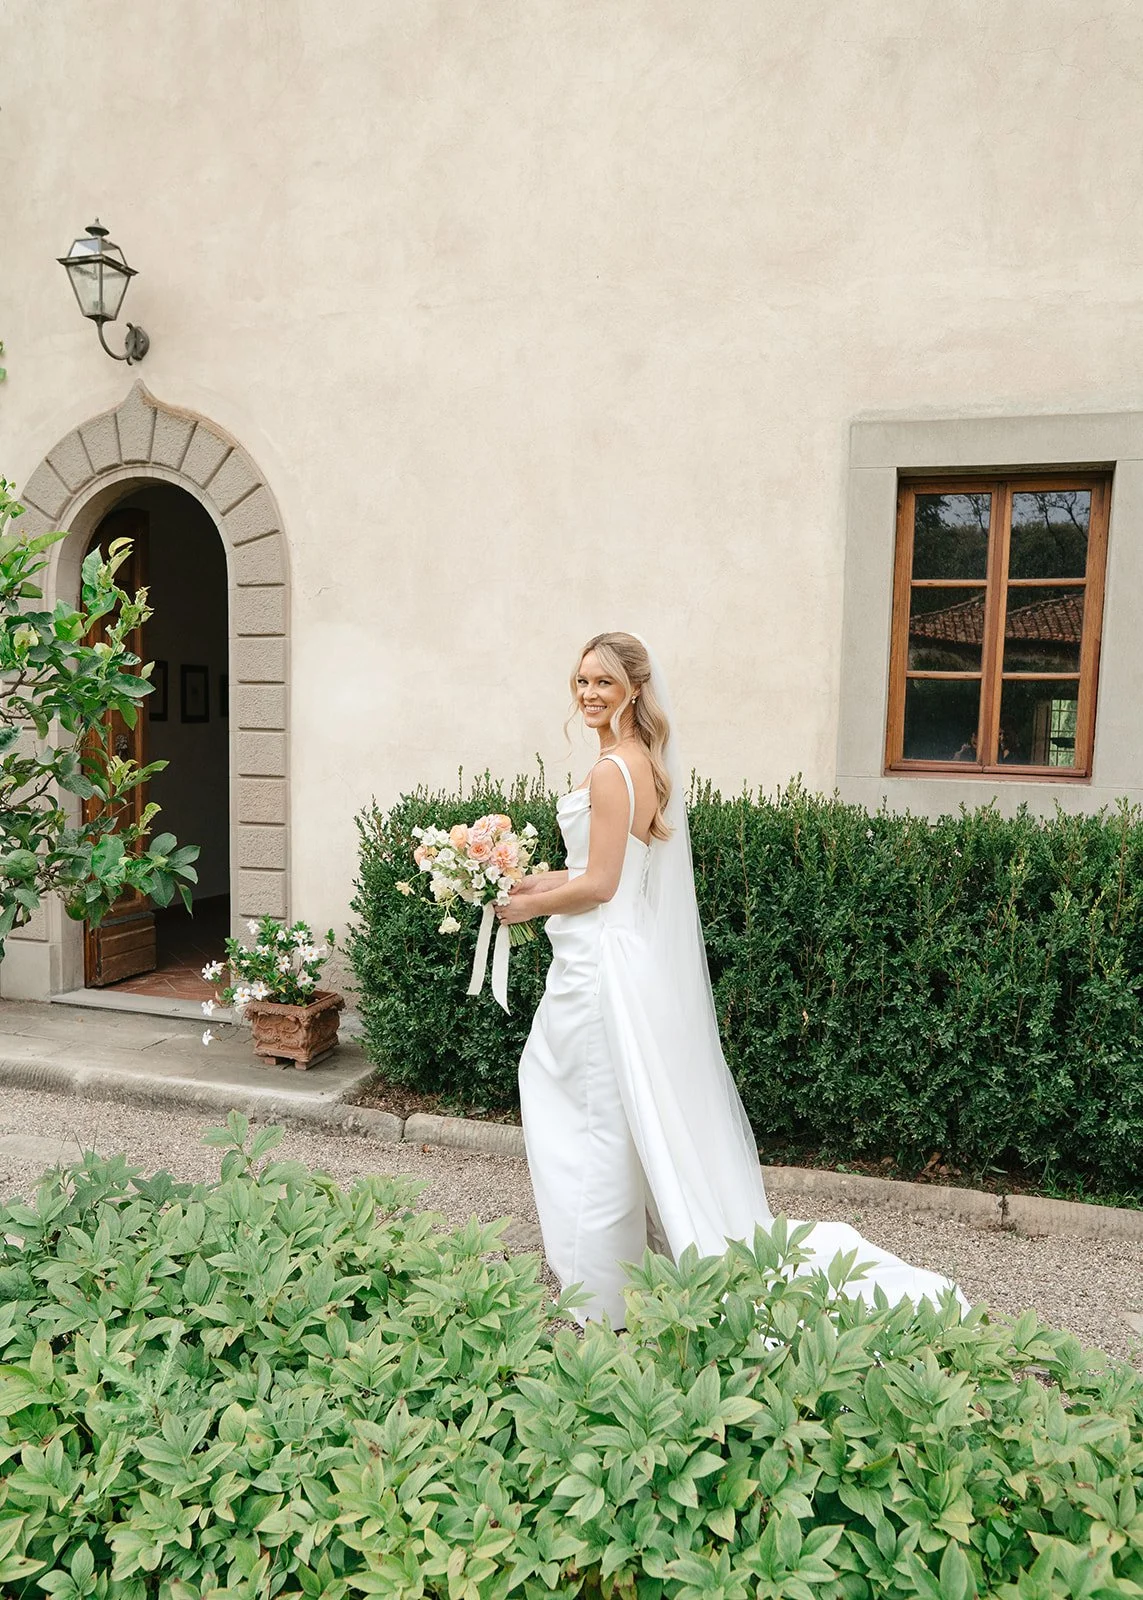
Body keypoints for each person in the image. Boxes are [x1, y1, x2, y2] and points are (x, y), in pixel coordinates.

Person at [496, 632, 965, 1328]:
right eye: (580, 681)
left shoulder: (608, 771)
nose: (587, 694)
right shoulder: (640, 764)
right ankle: (616, 1266)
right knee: (613, 1116)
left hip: (599, 972)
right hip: (618, 957)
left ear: (633, 689)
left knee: (584, 1113)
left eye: (601, 682)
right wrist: (528, 877)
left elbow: (600, 884)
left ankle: (598, 1293)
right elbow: (603, 870)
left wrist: (522, 906)